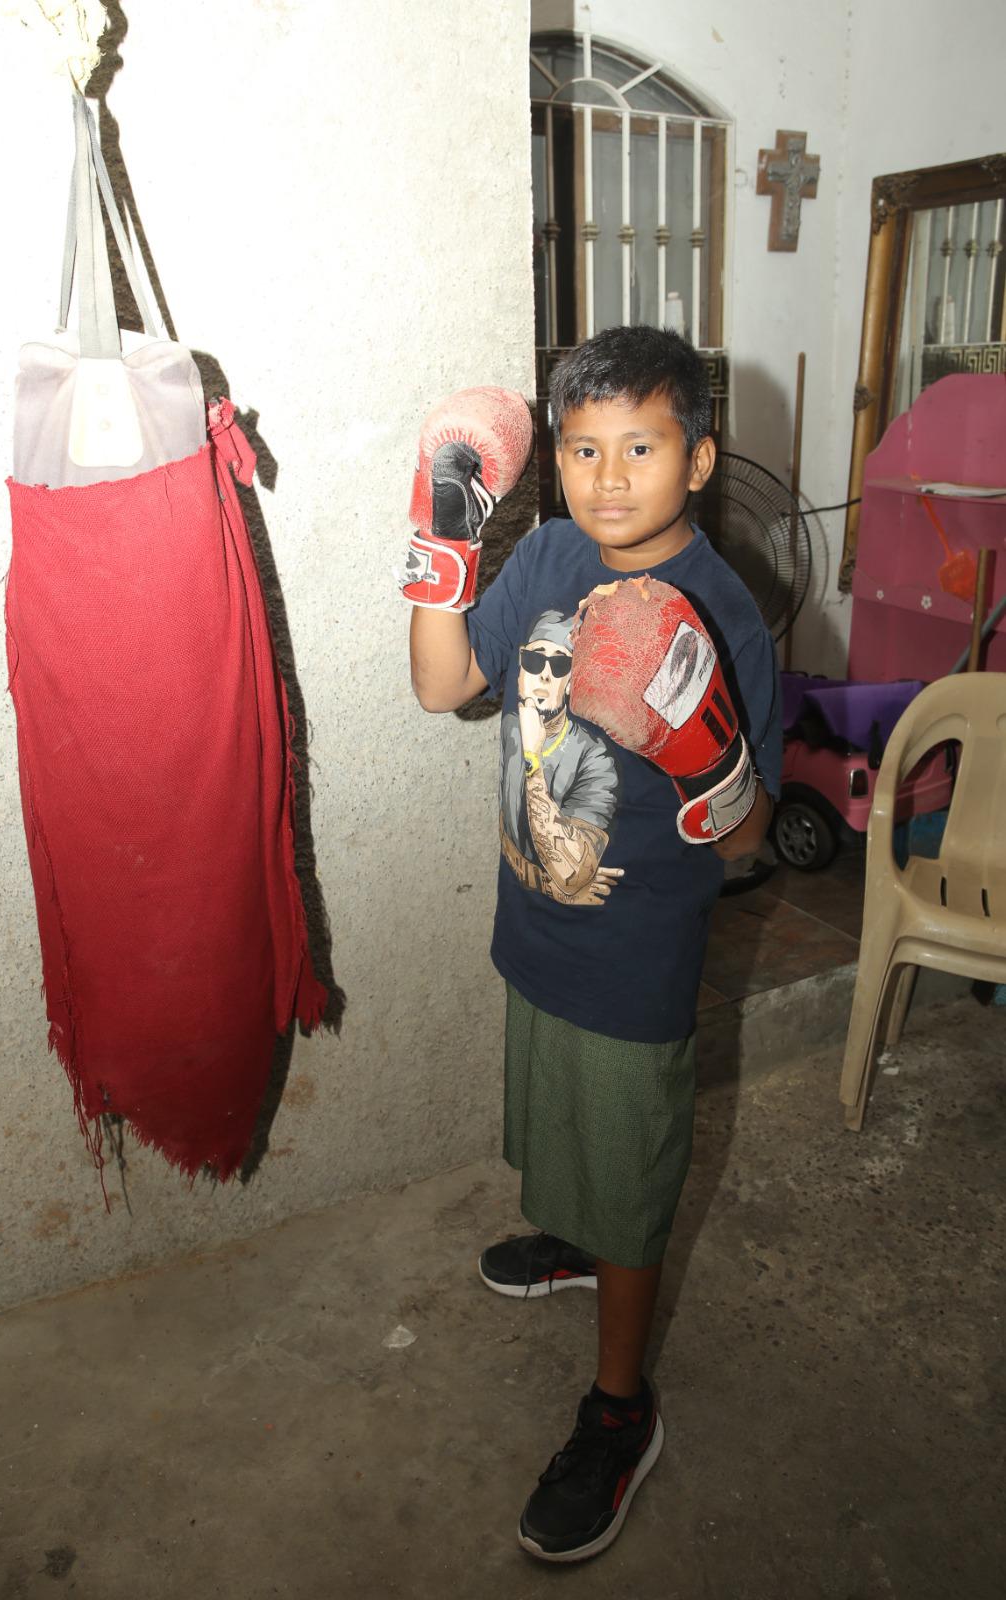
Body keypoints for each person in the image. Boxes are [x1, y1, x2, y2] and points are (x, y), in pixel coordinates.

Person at [406, 326, 782, 1564]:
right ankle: (578, 1235)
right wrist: (442, 552)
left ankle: (622, 1408)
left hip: (635, 961)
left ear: (698, 457)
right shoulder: (556, 549)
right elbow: (445, 684)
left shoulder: (727, 614)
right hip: (538, 918)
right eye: (580, 447)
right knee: (565, 1123)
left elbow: (749, 840)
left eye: (640, 445)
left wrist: (712, 755)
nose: (607, 474)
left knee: (632, 1162)